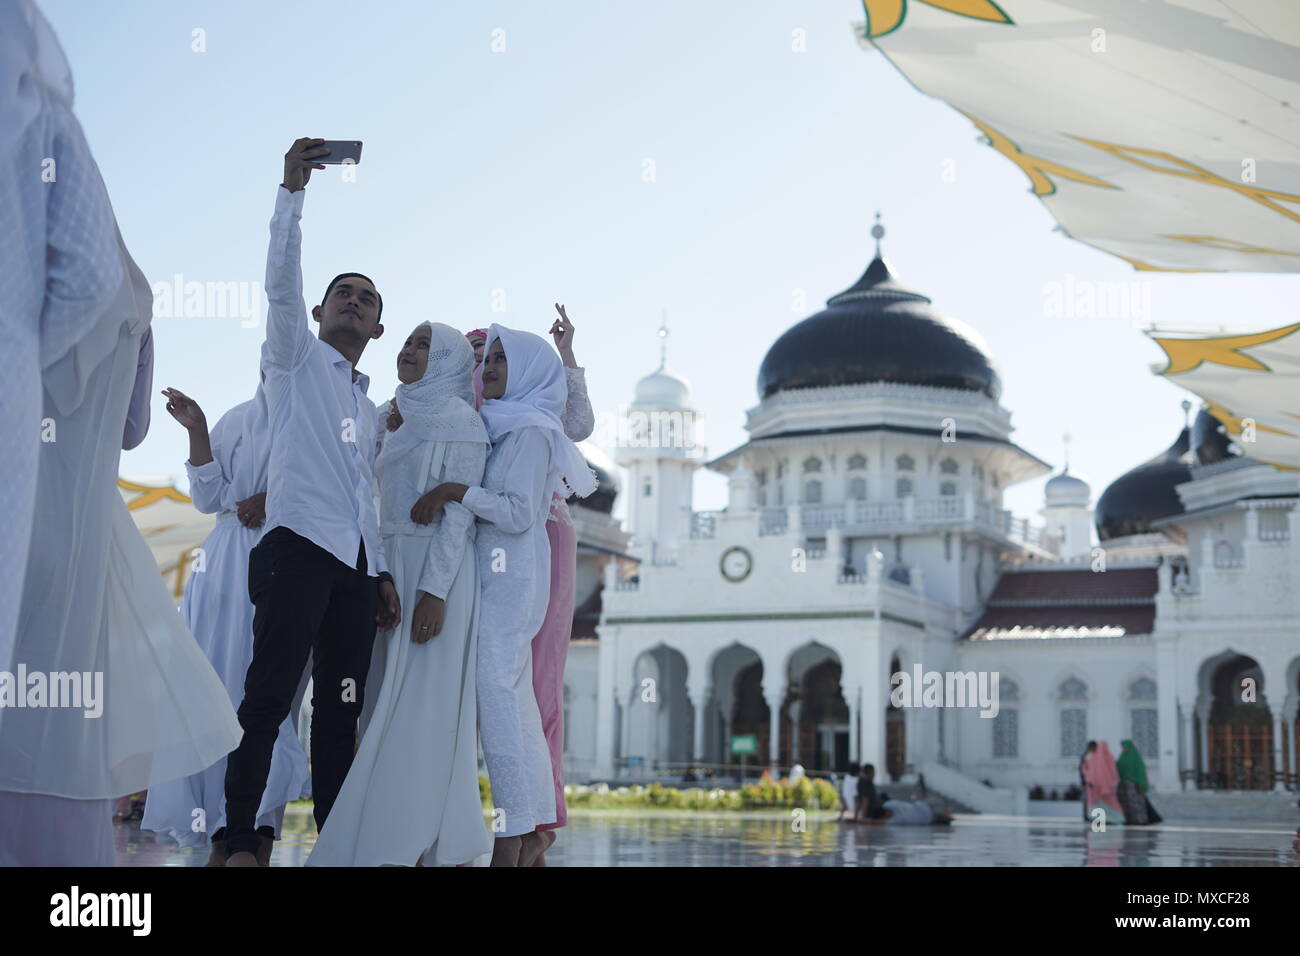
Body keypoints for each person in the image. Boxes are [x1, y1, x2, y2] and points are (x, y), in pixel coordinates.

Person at [0, 0, 241, 866]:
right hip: (88, 527)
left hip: (24, 503)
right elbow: (136, 431)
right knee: (60, 719)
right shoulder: (135, 305)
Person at [221, 138, 401, 868]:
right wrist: (291, 195)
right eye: (344, 296)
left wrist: (381, 572)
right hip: (295, 553)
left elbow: (365, 496)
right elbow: (279, 286)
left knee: (342, 711)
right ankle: (238, 841)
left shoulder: (366, 402)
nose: (353, 306)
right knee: (267, 702)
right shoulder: (295, 360)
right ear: (323, 311)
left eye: (367, 300)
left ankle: (338, 845)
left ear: (378, 329)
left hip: (352, 574)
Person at [307, 323, 493, 867]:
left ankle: (417, 836)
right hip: (386, 570)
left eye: (423, 346)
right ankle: (380, 828)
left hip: (437, 574)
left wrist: (433, 591)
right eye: (408, 343)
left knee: (424, 707)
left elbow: (457, 516)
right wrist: (382, 575)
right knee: (379, 699)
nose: (409, 352)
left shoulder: (462, 422)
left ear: (446, 362)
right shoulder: (391, 414)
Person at [419, 324, 597, 866]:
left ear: (527, 371)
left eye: (501, 359)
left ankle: (514, 832)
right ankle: (524, 832)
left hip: (511, 580)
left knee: (500, 705)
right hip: (508, 579)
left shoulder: (529, 431)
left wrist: (455, 492)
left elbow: (519, 512)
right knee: (514, 709)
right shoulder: (510, 423)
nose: (488, 367)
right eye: (486, 358)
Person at [141, 381, 311, 866]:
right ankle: (223, 832)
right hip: (222, 569)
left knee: (269, 697)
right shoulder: (236, 418)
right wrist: (197, 431)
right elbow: (208, 497)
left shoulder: (321, 420)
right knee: (216, 691)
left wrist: (273, 497)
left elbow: (335, 490)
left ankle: (254, 832)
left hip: (289, 560)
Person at [1116, 739, 1161, 826]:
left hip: (1134, 785)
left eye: (1125, 746)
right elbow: (1118, 769)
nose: (1123, 748)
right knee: (1126, 804)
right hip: (1124, 785)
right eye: (1123, 746)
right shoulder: (1122, 757)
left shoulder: (1135, 757)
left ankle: (1140, 820)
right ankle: (1129, 819)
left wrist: (1141, 783)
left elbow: (1140, 771)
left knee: (1137, 803)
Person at [1081, 740, 1126, 826]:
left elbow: (1086, 771)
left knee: (1102, 803)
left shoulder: (1092, 758)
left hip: (1097, 786)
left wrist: (1089, 781)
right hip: (1103, 786)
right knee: (1104, 803)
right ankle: (1110, 819)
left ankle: (1104, 819)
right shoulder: (1096, 758)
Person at [1078, 740, 1096, 822]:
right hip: (1087, 782)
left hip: (1093, 783)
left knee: (1092, 800)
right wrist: (1083, 782)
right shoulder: (1085, 756)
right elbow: (1082, 770)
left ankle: (1091, 815)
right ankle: (1086, 816)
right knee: (1086, 800)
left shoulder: (1095, 756)